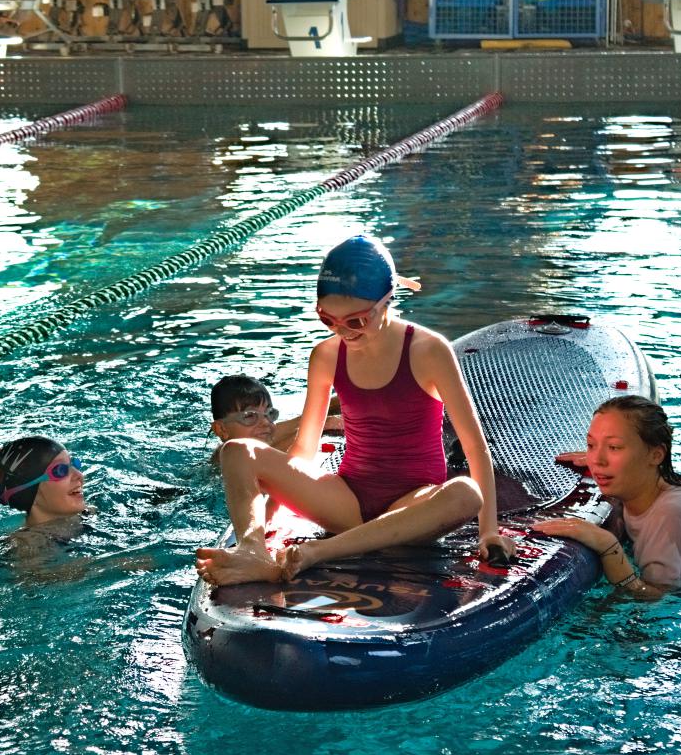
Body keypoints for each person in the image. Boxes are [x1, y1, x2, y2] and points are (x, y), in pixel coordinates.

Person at [196, 235, 514, 587]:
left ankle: (319, 553)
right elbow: (304, 450)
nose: (342, 331)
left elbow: (475, 446)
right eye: (327, 319)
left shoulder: (429, 350)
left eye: (356, 321)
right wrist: (270, 512)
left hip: (410, 508)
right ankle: (252, 552)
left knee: (466, 493)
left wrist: (489, 532)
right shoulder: (327, 355)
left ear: (387, 300)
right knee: (237, 450)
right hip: (346, 501)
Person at [533, 395, 681, 598]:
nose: (597, 460)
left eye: (614, 447)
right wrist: (606, 456)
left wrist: (609, 547)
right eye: (591, 445)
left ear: (655, 455)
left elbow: (653, 599)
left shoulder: (668, 514)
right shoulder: (658, 486)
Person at [209, 374, 341, 459]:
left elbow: (304, 419)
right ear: (221, 429)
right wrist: (323, 427)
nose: (265, 422)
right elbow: (266, 457)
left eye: (269, 413)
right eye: (249, 416)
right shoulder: (229, 456)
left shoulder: (255, 431)